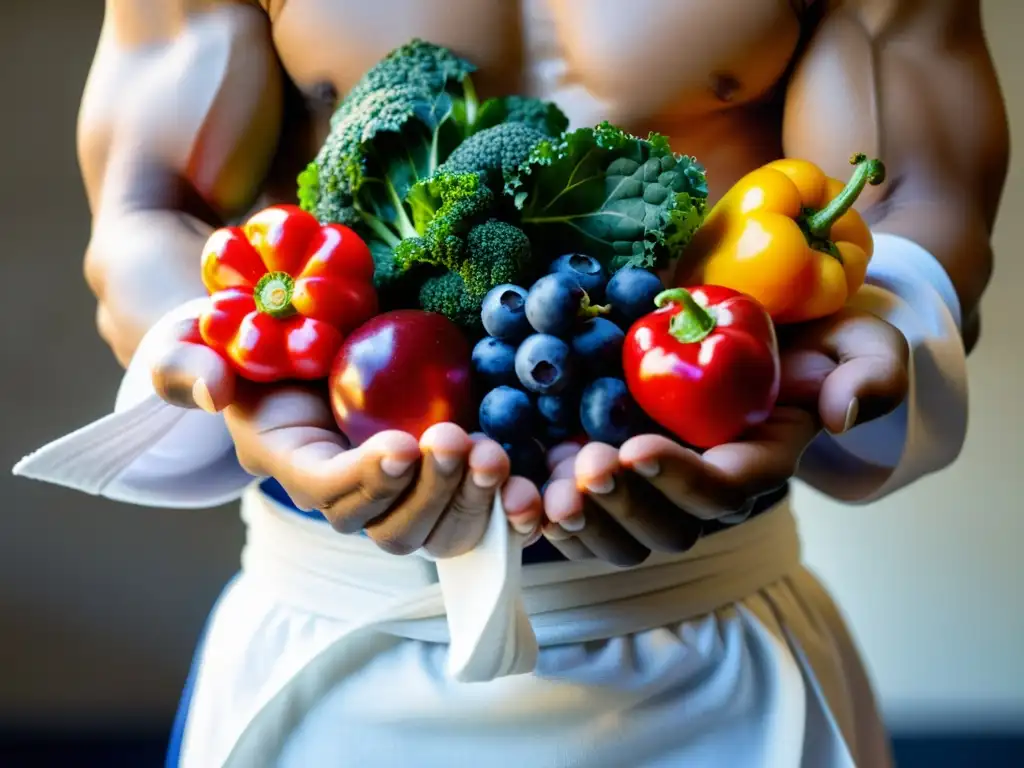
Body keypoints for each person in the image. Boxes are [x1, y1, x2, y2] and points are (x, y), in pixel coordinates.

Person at [70, 0, 1007, 765]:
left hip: (712, 646)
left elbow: (906, 194)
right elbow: (147, 205)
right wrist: (233, 372)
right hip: (336, 629)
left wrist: (875, 325)